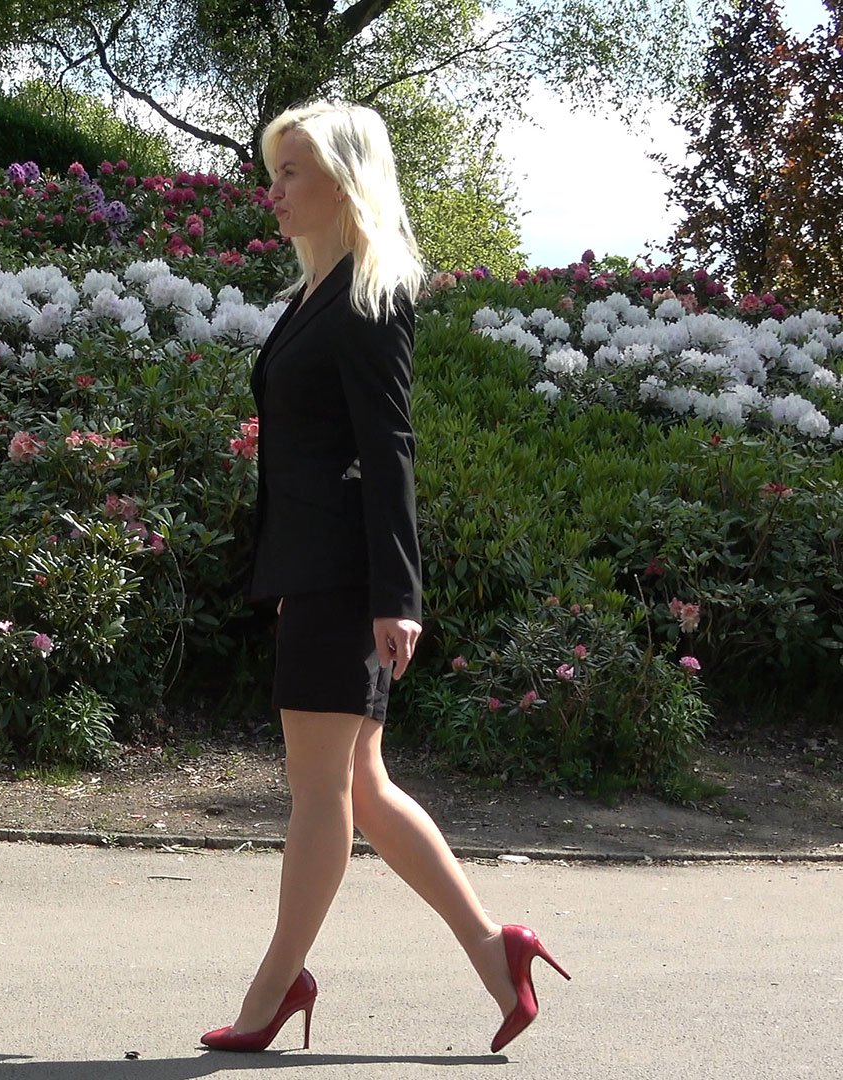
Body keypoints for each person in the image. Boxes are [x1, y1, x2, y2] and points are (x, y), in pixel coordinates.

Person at [199, 100, 570, 1056]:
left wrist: (396, 596)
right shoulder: (316, 294)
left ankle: (273, 988)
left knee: (319, 790)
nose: (273, 191)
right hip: (317, 570)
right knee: (360, 786)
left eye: (290, 171)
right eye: (274, 172)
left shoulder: (370, 293)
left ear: (343, 180)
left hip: (345, 577)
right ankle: (496, 951)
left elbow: (389, 447)